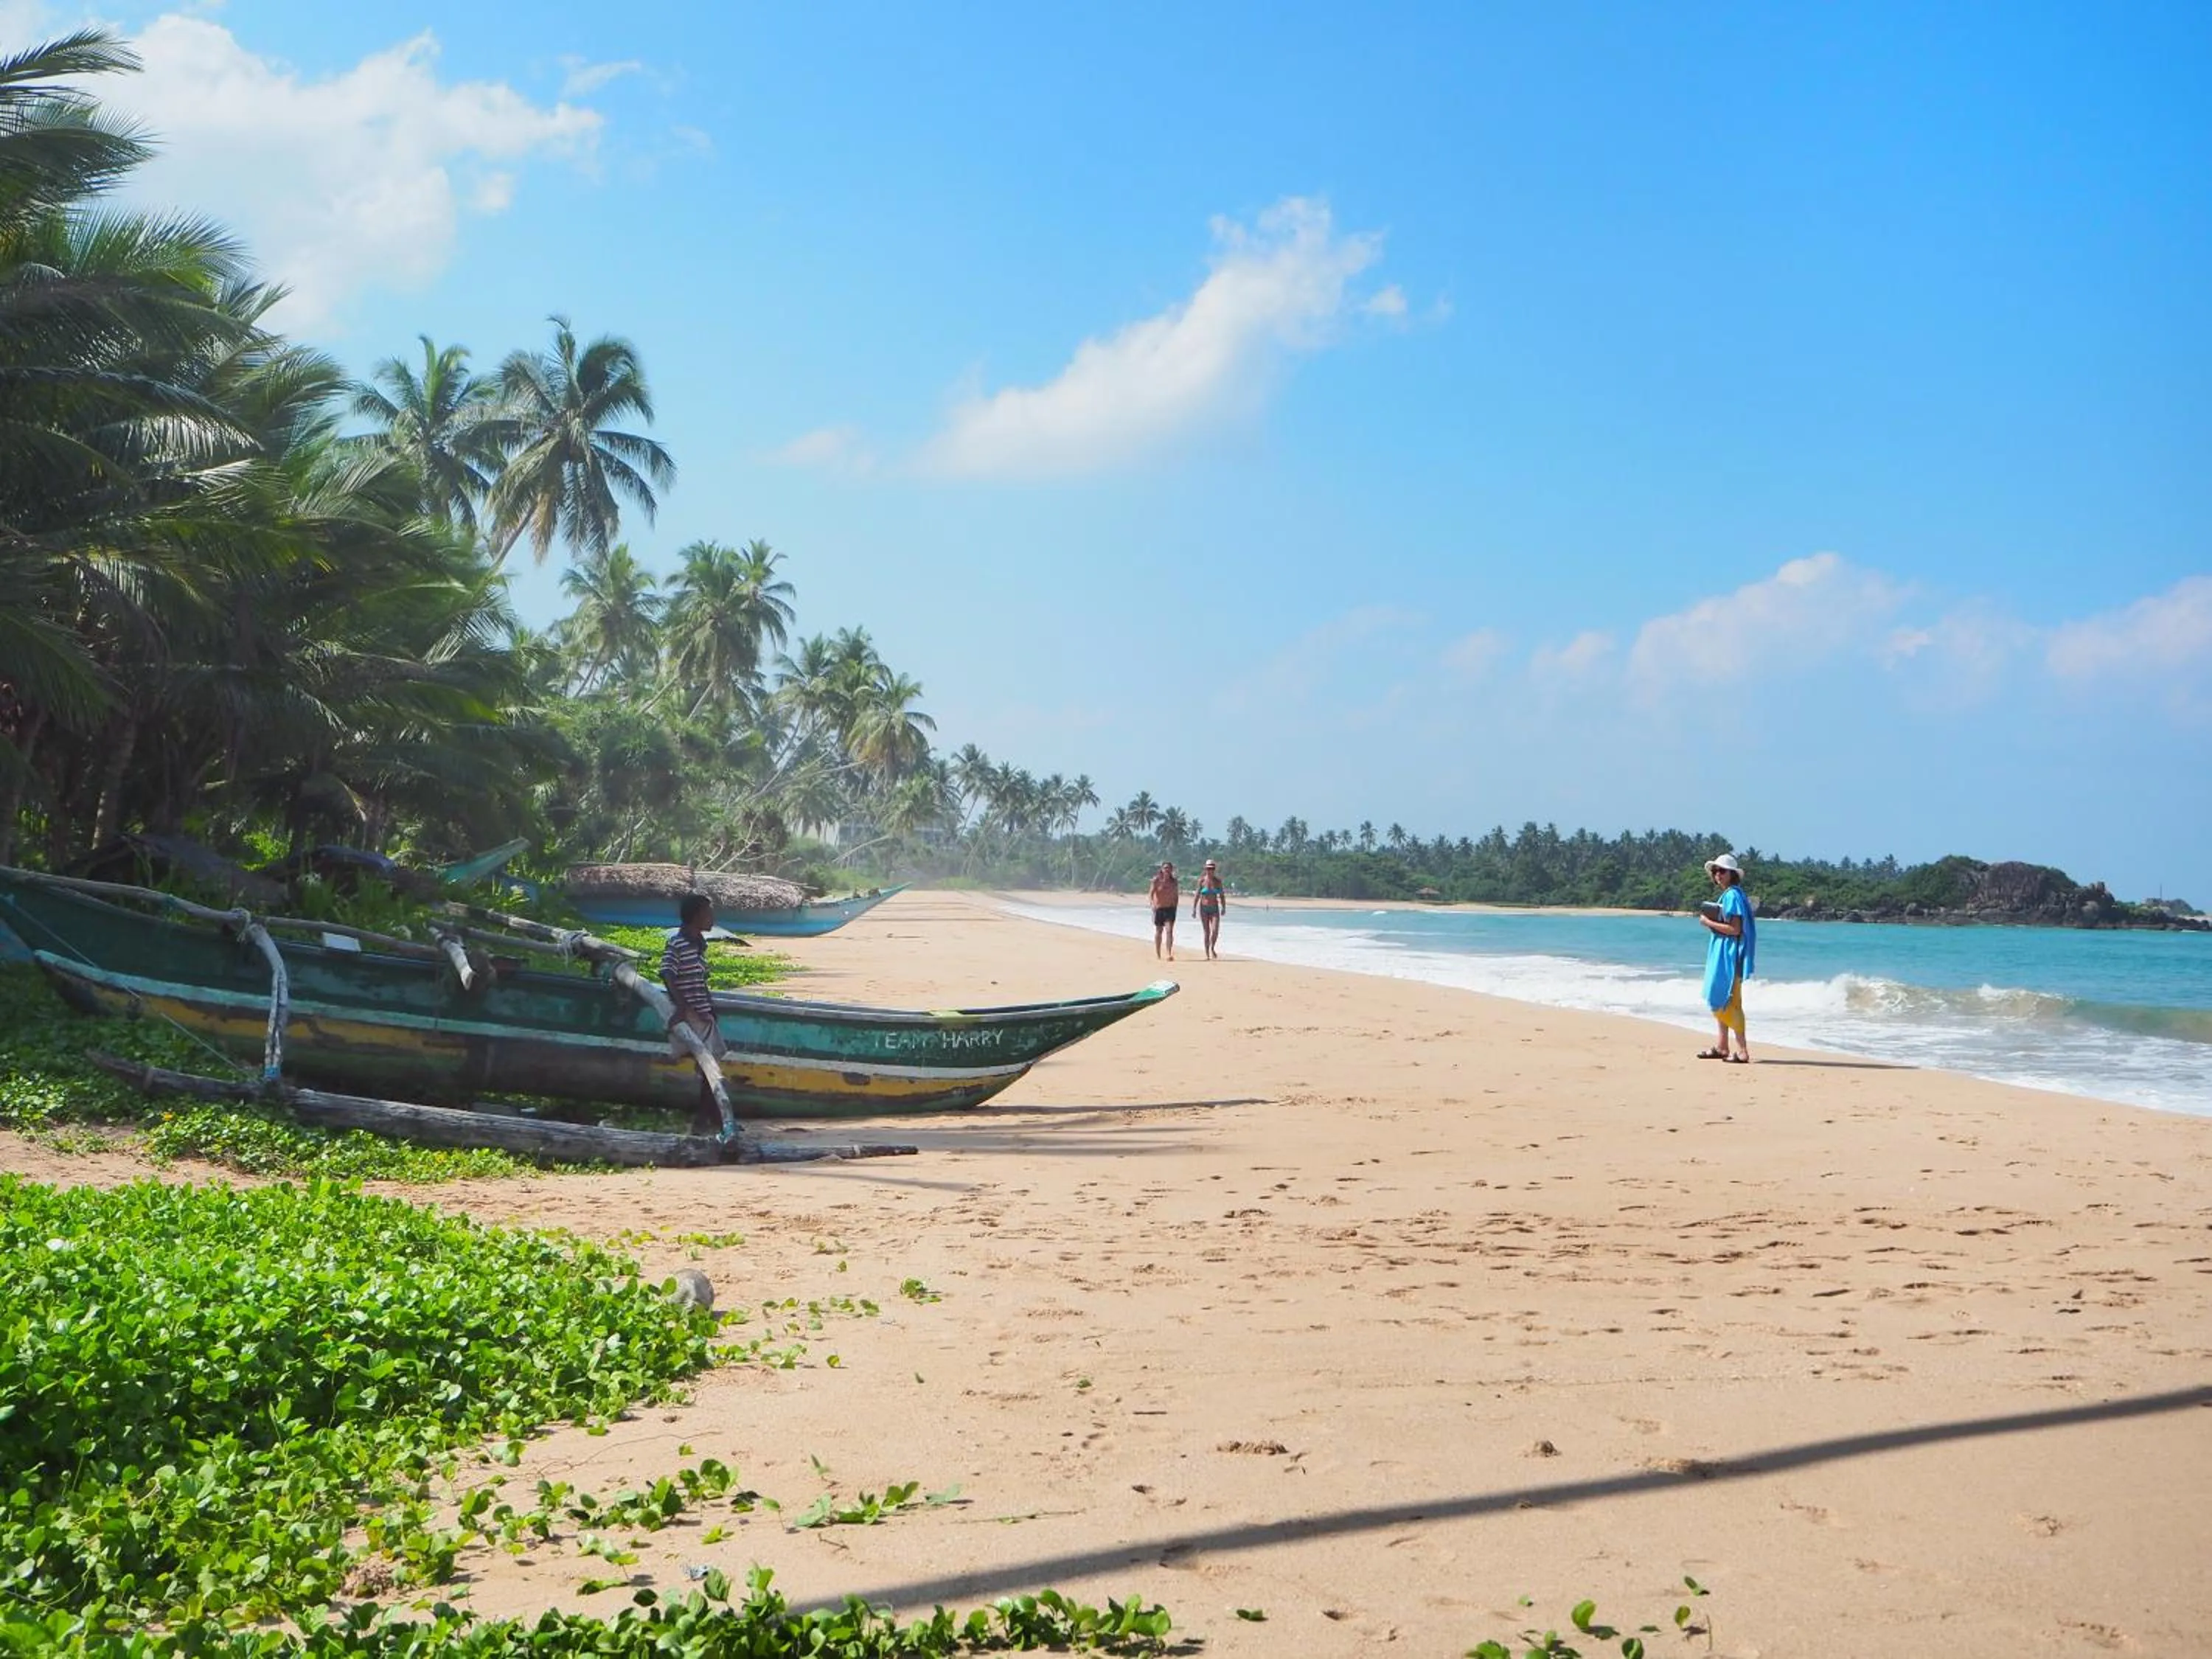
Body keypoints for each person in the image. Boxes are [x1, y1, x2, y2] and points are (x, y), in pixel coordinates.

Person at [661, 891, 731, 1133]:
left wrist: (710, 1006)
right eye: (709, 913)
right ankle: (708, 1119)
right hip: (692, 1014)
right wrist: (681, 1007)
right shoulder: (678, 943)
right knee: (710, 1065)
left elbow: (700, 982)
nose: (713, 918)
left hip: (702, 1014)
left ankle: (709, 1118)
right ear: (696, 916)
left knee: (711, 1064)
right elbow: (667, 972)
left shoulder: (697, 944)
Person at [1697, 853, 1756, 1062]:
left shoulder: (1732, 896)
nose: (1718, 875)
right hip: (1725, 954)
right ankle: (1722, 1046)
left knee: (1729, 1001)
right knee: (1722, 998)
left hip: (1729, 956)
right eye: (1715, 871)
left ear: (1732, 874)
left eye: (1722, 871)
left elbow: (1734, 929)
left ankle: (1742, 1051)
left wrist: (1708, 923)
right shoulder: (1734, 894)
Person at [1191, 859, 1228, 960]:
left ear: (1214, 869)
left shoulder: (1218, 881)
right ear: (1205, 869)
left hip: (1214, 908)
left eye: (1212, 869)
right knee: (1207, 932)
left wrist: (1224, 907)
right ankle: (1207, 953)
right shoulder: (1202, 881)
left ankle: (1212, 948)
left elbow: (1222, 895)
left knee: (1215, 930)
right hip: (1204, 908)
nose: (1210, 870)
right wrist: (1194, 908)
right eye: (1208, 869)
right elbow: (1197, 895)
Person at [1148, 861, 1180, 960]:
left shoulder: (1174, 882)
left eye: (1169, 868)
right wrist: (1152, 905)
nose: (1167, 870)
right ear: (1162, 869)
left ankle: (1169, 953)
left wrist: (1175, 905)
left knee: (1169, 930)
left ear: (1171, 870)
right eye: (1165, 868)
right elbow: (1151, 894)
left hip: (1170, 909)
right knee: (1159, 931)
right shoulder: (1156, 880)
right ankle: (1158, 953)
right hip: (1159, 908)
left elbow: (1176, 894)